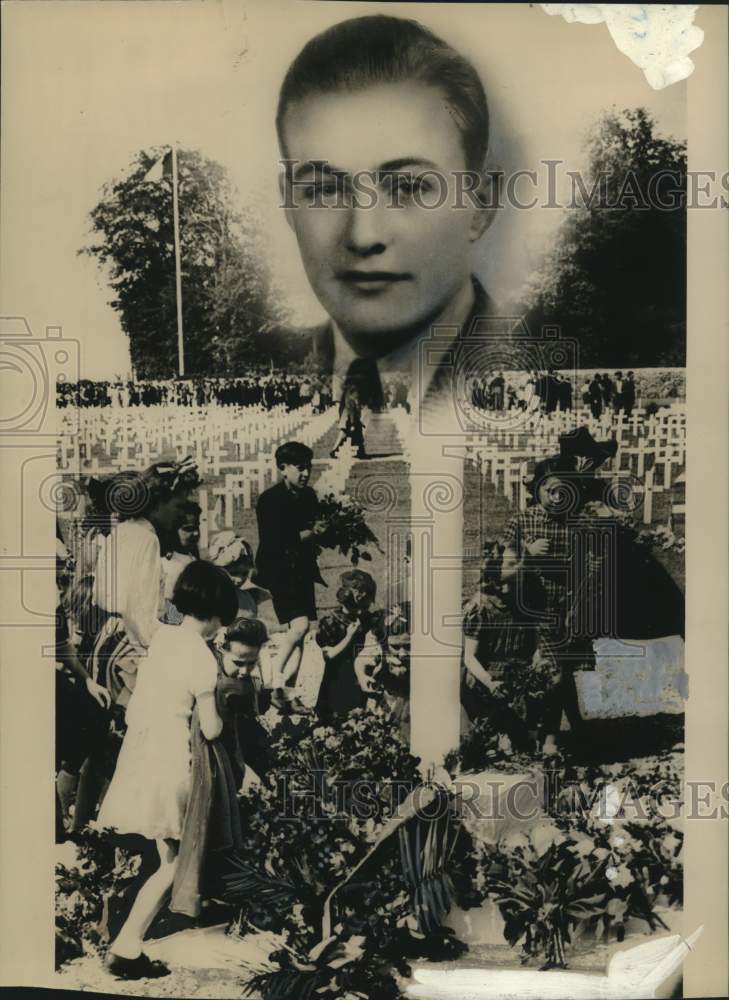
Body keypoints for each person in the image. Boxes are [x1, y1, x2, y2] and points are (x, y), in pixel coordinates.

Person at [274, 14, 498, 415]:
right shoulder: (281, 371)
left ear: (480, 204)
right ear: (289, 204)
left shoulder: (524, 364)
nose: (364, 235)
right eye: (326, 189)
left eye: (409, 187)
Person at [98, 561, 239, 979]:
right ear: (215, 613)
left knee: (166, 856)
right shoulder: (201, 655)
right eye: (220, 621)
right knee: (175, 862)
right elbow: (212, 728)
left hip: (142, 752)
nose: (219, 629)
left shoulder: (163, 640)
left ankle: (128, 945)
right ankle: (125, 948)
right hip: (172, 760)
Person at [462, 542, 560, 755]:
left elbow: (534, 643)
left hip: (517, 670)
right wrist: (490, 683)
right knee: (495, 741)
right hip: (488, 675)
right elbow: (469, 657)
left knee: (548, 680)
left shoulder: (526, 601)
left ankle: (531, 738)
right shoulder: (481, 607)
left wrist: (537, 661)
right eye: (511, 564)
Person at [255, 441, 328, 715]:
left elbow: (311, 531)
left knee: (302, 631)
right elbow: (277, 540)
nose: (305, 473)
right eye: (300, 468)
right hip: (278, 569)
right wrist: (313, 533)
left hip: (301, 570)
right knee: (298, 627)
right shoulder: (270, 500)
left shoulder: (308, 496)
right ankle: (274, 681)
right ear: (283, 468)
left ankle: (289, 694)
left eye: (308, 467)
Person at [315, 569, 383, 722]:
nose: (361, 611)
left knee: (361, 722)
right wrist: (349, 636)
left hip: (360, 676)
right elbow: (328, 656)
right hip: (338, 679)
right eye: (360, 606)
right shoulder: (331, 622)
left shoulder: (366, 618)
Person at [208, 531, 270, 620]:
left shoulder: (247, 599)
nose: (240, 579)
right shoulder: (210, 597)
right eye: (234, 573)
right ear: (218, 569)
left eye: (244, 573)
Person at [160, 500, 201, 624]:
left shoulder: (190, 558)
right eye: (188, 529)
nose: (196, 533)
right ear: (172, 531)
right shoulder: (169, 564)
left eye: (197, 527)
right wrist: (182, 626)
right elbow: (165, 605)